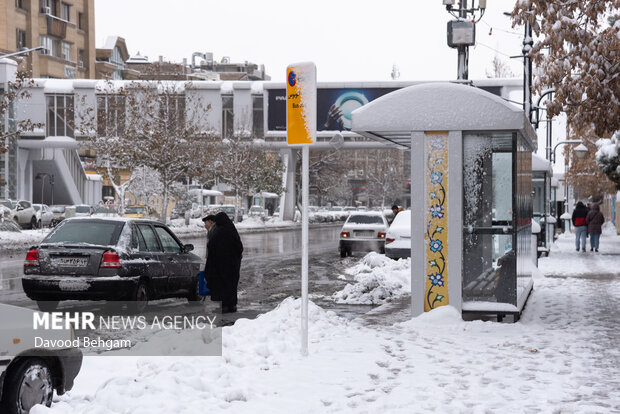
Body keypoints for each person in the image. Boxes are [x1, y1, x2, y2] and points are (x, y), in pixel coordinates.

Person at [204, 211, 244, 313]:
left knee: (222, 285)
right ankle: (233, 305)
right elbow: (239, 247)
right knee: (232, 286)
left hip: (221, 265)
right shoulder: (232, 230)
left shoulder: (218, 232)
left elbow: (211, 247)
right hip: (234, 265)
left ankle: (225, 306)